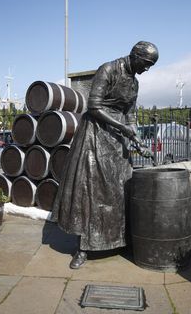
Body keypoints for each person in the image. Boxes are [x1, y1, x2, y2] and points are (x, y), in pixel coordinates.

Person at [51, 41, 159, 269]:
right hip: (95, 133)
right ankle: (83, 248)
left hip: (117, 136)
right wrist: (123, 128)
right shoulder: (108, 69)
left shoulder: (135, 83)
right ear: (135, 55)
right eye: (147, 63)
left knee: (120, 188)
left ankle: (118, 239)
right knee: (91, 189)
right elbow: (93, 106)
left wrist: (135, 136)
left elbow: (129, 114)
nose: (147, 69)